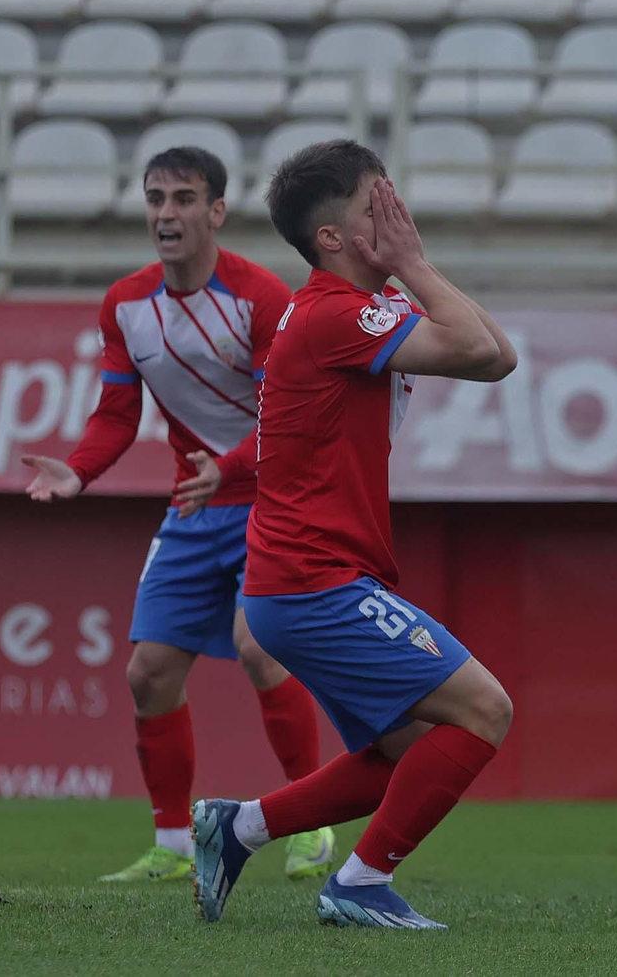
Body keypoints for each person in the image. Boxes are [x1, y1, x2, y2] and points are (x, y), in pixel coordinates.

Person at [190, 141, 518, 930]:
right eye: (380, 205)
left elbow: (497, 354)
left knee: (402, 755)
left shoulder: (354, 313)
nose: (397, 216)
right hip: (313, 580)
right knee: (484, 710)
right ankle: (360, 882)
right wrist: (415, 263)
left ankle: (237, 828)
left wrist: (411, 268)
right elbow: (478, 349)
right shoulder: (337, 314)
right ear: (334, 238)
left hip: (308, 579)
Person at [22, 146, 335, 883]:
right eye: (156, 198)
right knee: (147, 673)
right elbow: (116, 413)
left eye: (185, 198)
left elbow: (284, 415)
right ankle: (171, 845)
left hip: (269, 499)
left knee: (259, 647)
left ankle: (311, 821)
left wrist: (225, 469)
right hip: (195, 507)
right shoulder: (125, 305)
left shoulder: (261, 299)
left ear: (216, 212)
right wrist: (79, 469)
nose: (167, 213)